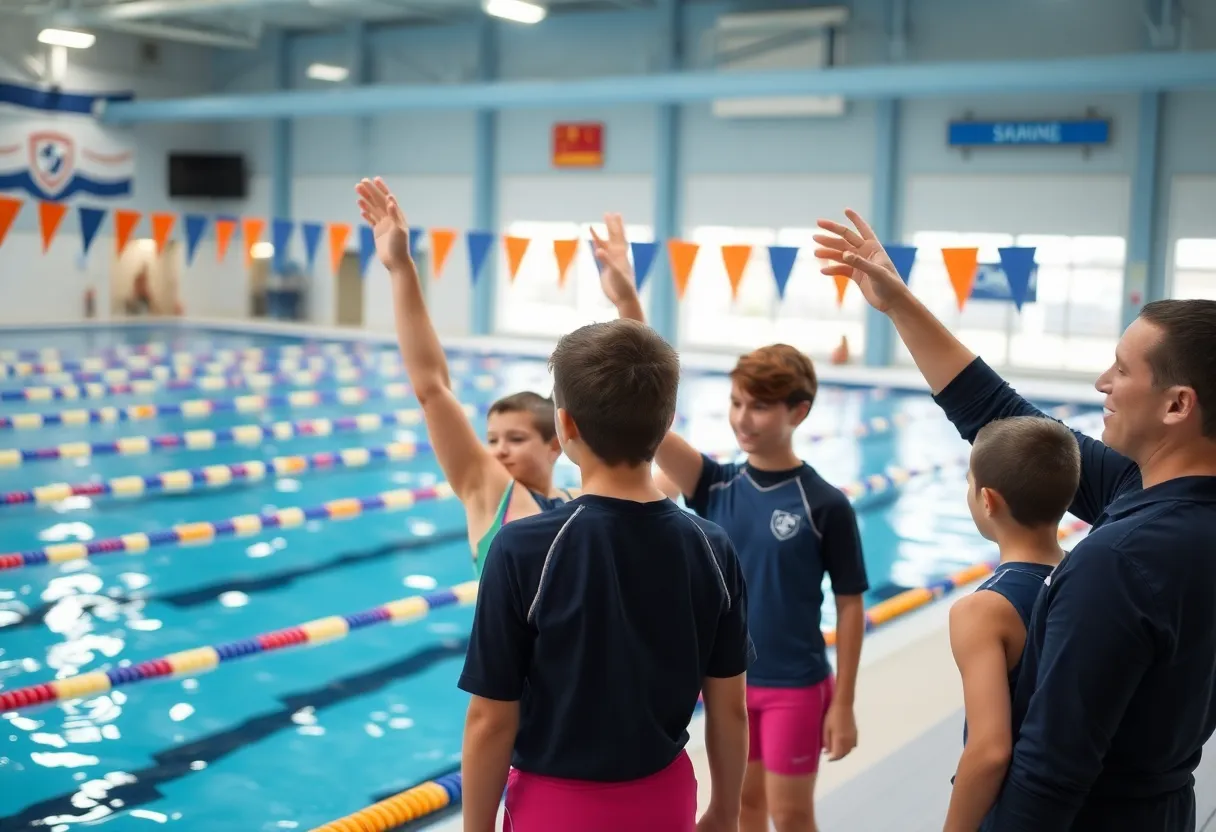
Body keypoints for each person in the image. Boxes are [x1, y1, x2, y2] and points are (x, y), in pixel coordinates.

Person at [815, 208, 1216, 831]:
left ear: (1177, 405)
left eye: (1122, 369)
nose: (1101, 382)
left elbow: (1049, 771)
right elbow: (1000, 414)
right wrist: (898, 304)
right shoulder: (1158, 496)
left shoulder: (1121, 558)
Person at [589, 215, 867, 832]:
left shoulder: (825, 504)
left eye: (761, 407)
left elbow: (849, 606)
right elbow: (649, 417)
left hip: (796, 685)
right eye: (738, 402)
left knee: (792, 814)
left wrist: (842, 701)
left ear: (799, 410)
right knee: (743, 807)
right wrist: (627, 301)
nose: (744, 418)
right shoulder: (715, 484)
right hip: (727, 685)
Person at [456, 318, 754, 832]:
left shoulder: (525, 548)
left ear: (565, 426)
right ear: (666, 427)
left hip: (558, 806)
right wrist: (725, 811)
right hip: (666, 797)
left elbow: (491, 719)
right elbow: (730, 709)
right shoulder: (712, 546)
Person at [357, 177, 576, 574]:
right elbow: (432, 389)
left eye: (516, 438)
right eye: (492, 439)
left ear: (555, 445)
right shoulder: (491, 492)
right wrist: (401, 269)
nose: (498, 450)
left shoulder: (577, 499)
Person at [943, 416, 1081, 832]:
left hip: (1019, 810)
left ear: (988, 499)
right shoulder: (1093, 576)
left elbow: (989, 752)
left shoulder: (983, 610)